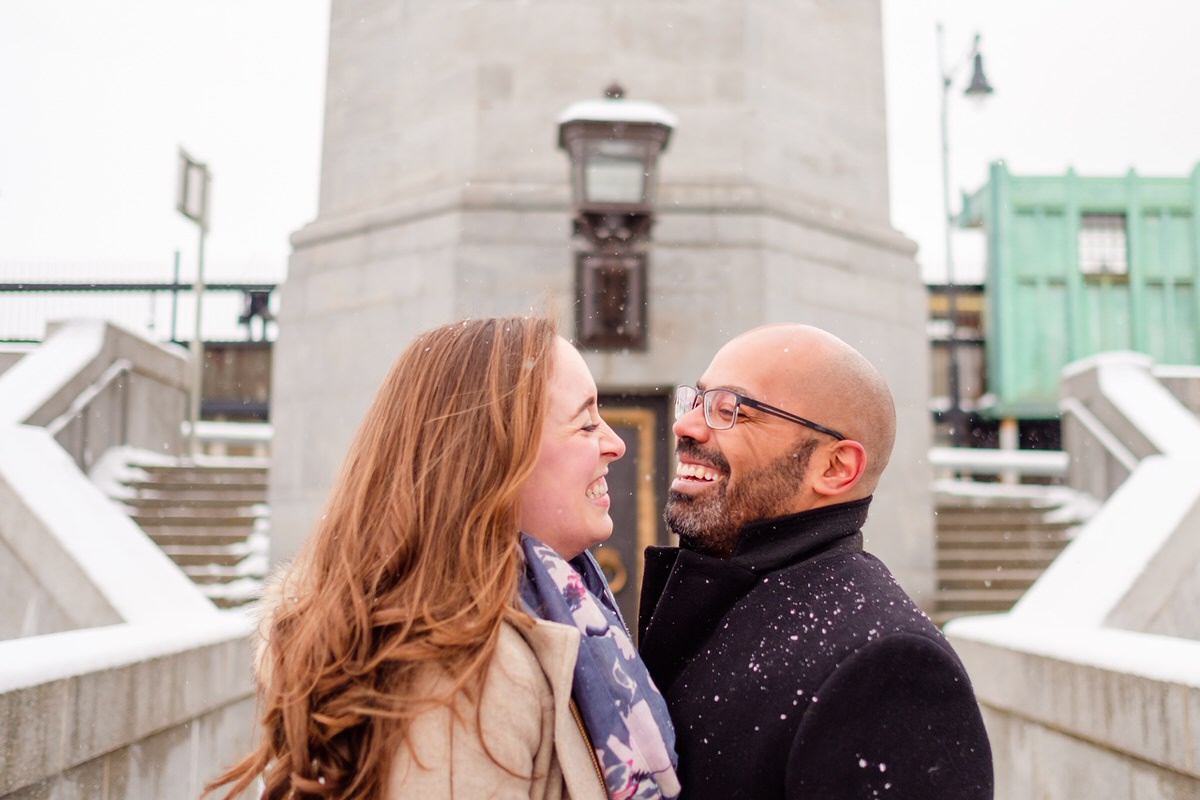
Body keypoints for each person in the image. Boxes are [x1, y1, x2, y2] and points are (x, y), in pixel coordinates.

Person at [206, 316, 681, 799]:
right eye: (585, 422)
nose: (616, 443)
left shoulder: (529, 624)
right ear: (492, 456)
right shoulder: (466, 675)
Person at [637, 323, 993, 799]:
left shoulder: (889, 668)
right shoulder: (731, 603)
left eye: (731, 409)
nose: (686, 426)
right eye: (697, 401)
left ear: (834, 467)